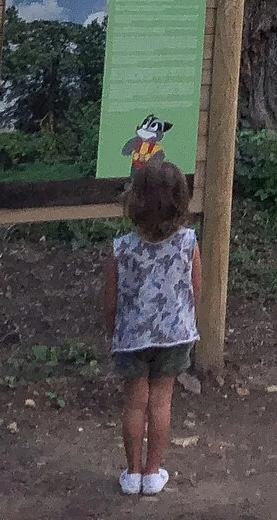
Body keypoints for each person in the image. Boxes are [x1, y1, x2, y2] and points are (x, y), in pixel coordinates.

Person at [102, 159, 200, 495]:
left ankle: (131, 474)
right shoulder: (188, 242)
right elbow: (194, 289)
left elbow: (111, 300)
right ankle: (153, 472)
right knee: (161, 402)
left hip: (132, 337)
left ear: (136, 200)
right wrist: (186, 320)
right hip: (174, 336)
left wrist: (113, 329)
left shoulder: (122, 248)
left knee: (135, 403)